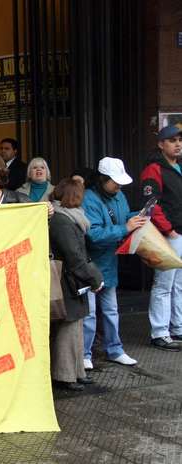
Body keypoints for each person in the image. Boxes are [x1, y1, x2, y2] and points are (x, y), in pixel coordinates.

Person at [82, 157, 146, 367]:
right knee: (89, 313)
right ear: (102, 179)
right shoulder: (88, 199)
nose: (119, 186)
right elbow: (93, 235)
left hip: (109, 262)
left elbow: (123, 218)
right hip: (91, 264)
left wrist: (140, 216)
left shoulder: (119, 196)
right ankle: (84, 355)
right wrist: (125, 228)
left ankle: (115, 350)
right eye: (115, 181)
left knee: (111, 311)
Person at [49, 179, 104, 391]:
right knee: (68, 327)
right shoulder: (62, 221)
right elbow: (74, 256)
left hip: (71, 280)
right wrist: (94, 277)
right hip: (66, 281)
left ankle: (76, 372)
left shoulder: (66, 217)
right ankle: (65, 375)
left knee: (75, 326)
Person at [140, 125, 182, 351]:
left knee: (179, 285)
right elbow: (151, 204)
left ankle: (178, 328)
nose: (178, 144)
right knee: (164, 285)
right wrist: (169, 230)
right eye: (172, 140)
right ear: (161, 144)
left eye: (179, 140)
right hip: (169, 235)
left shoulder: (178, 167)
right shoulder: (154, 169)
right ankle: (160, 332)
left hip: (178, 233)